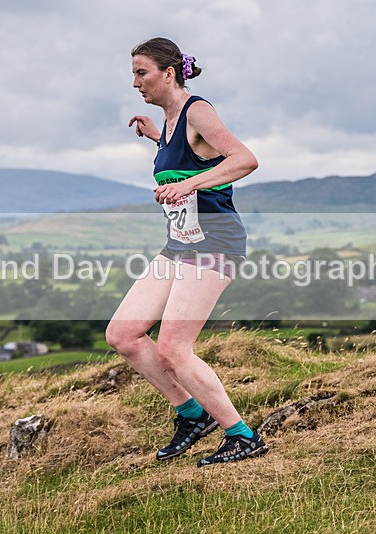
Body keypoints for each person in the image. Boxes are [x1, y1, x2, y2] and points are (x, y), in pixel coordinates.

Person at [105, 37, 268, 467]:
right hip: (181, 243)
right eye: (133, 74)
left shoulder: (197, 109)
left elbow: (245, 159)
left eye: (141, 73)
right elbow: (192, 158)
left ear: (169, 73)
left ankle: (242, 436)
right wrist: (158, 138)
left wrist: (189, 184)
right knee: (123, 334)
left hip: (215, 242)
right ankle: (192, 413)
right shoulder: (173, 120)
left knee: (174, 349)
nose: (135, 82)